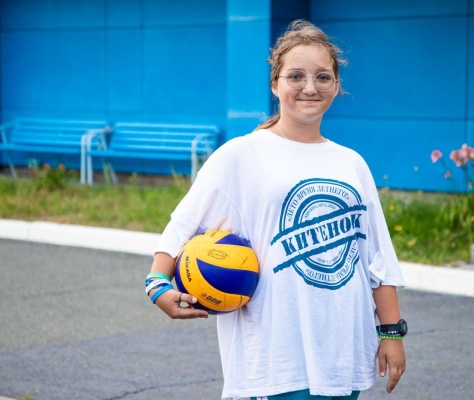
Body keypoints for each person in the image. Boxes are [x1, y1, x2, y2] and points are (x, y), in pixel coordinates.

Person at [147, 19, 406, 400]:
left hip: (342, 352)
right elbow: (181, 226)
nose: (310, 87)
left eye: (323, 77)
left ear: (337, 86)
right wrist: (157, 285)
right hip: (272, 358)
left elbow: (377, 257)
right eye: (296, 76)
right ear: (275, 84)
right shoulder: (241, 154)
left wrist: (391, 333)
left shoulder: (351, 163)